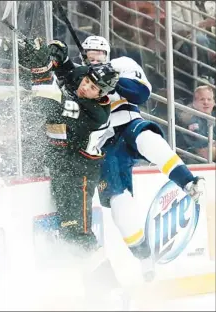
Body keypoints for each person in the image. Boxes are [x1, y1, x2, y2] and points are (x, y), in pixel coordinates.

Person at [80, 35, 206, 282]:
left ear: (106, 53)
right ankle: (144, 257)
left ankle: (188, 182)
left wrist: (112, 80)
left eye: (99, 52)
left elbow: (141, 94)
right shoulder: (78, 78)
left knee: (150, 140)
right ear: (83, 55)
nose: (94, 56)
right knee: (119, 207)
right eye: (89, 53)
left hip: (129, 122)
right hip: (103, 142)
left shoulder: (122, 63)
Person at [19, 38, 119, 254]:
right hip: (59, 157)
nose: (85, 87)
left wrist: (41, 69)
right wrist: (56, 52)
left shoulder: (96, 114)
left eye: (93, 88)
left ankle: (104, 283)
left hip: (80, 171)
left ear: (102, 94)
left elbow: (49, 104)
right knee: (67, 226)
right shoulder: (82, 76)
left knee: (77, 229)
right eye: (87, 81)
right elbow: (66, 68)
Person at [176, 85, 216, 163]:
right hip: (192, 157)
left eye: (209, 99)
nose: (206, 102)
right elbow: (203, 150)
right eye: (202, 99)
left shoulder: (212, 117)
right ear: (194, 103)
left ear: (214, 103)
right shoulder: (190, 119)